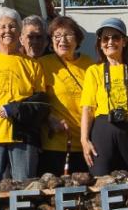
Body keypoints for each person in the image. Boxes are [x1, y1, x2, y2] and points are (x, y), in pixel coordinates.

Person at [0, 8, 49, 184]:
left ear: (20, 33)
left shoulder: (33, 65)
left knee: (25, 190)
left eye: (12, 26)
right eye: (3, 27)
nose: (8, 31)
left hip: (23, 136)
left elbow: (40, 102)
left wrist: (15, 109)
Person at [80, 18, 128, 176]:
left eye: (115, 37)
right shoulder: (94, 71)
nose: (110, 42)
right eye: (105, 39)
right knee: (100, 178)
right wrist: (84, 139)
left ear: (124, 41)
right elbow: (88, 108)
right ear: (100, 43)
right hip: (103, 127)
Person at [38, 15, 93, 175]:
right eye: (57, 36)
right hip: (55, 144)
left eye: (68, 35)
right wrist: (49, 118)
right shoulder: (43, 64)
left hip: (86, 144)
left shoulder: (90, 65)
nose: (62, 40)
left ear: (77, 39)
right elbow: (36, 100)